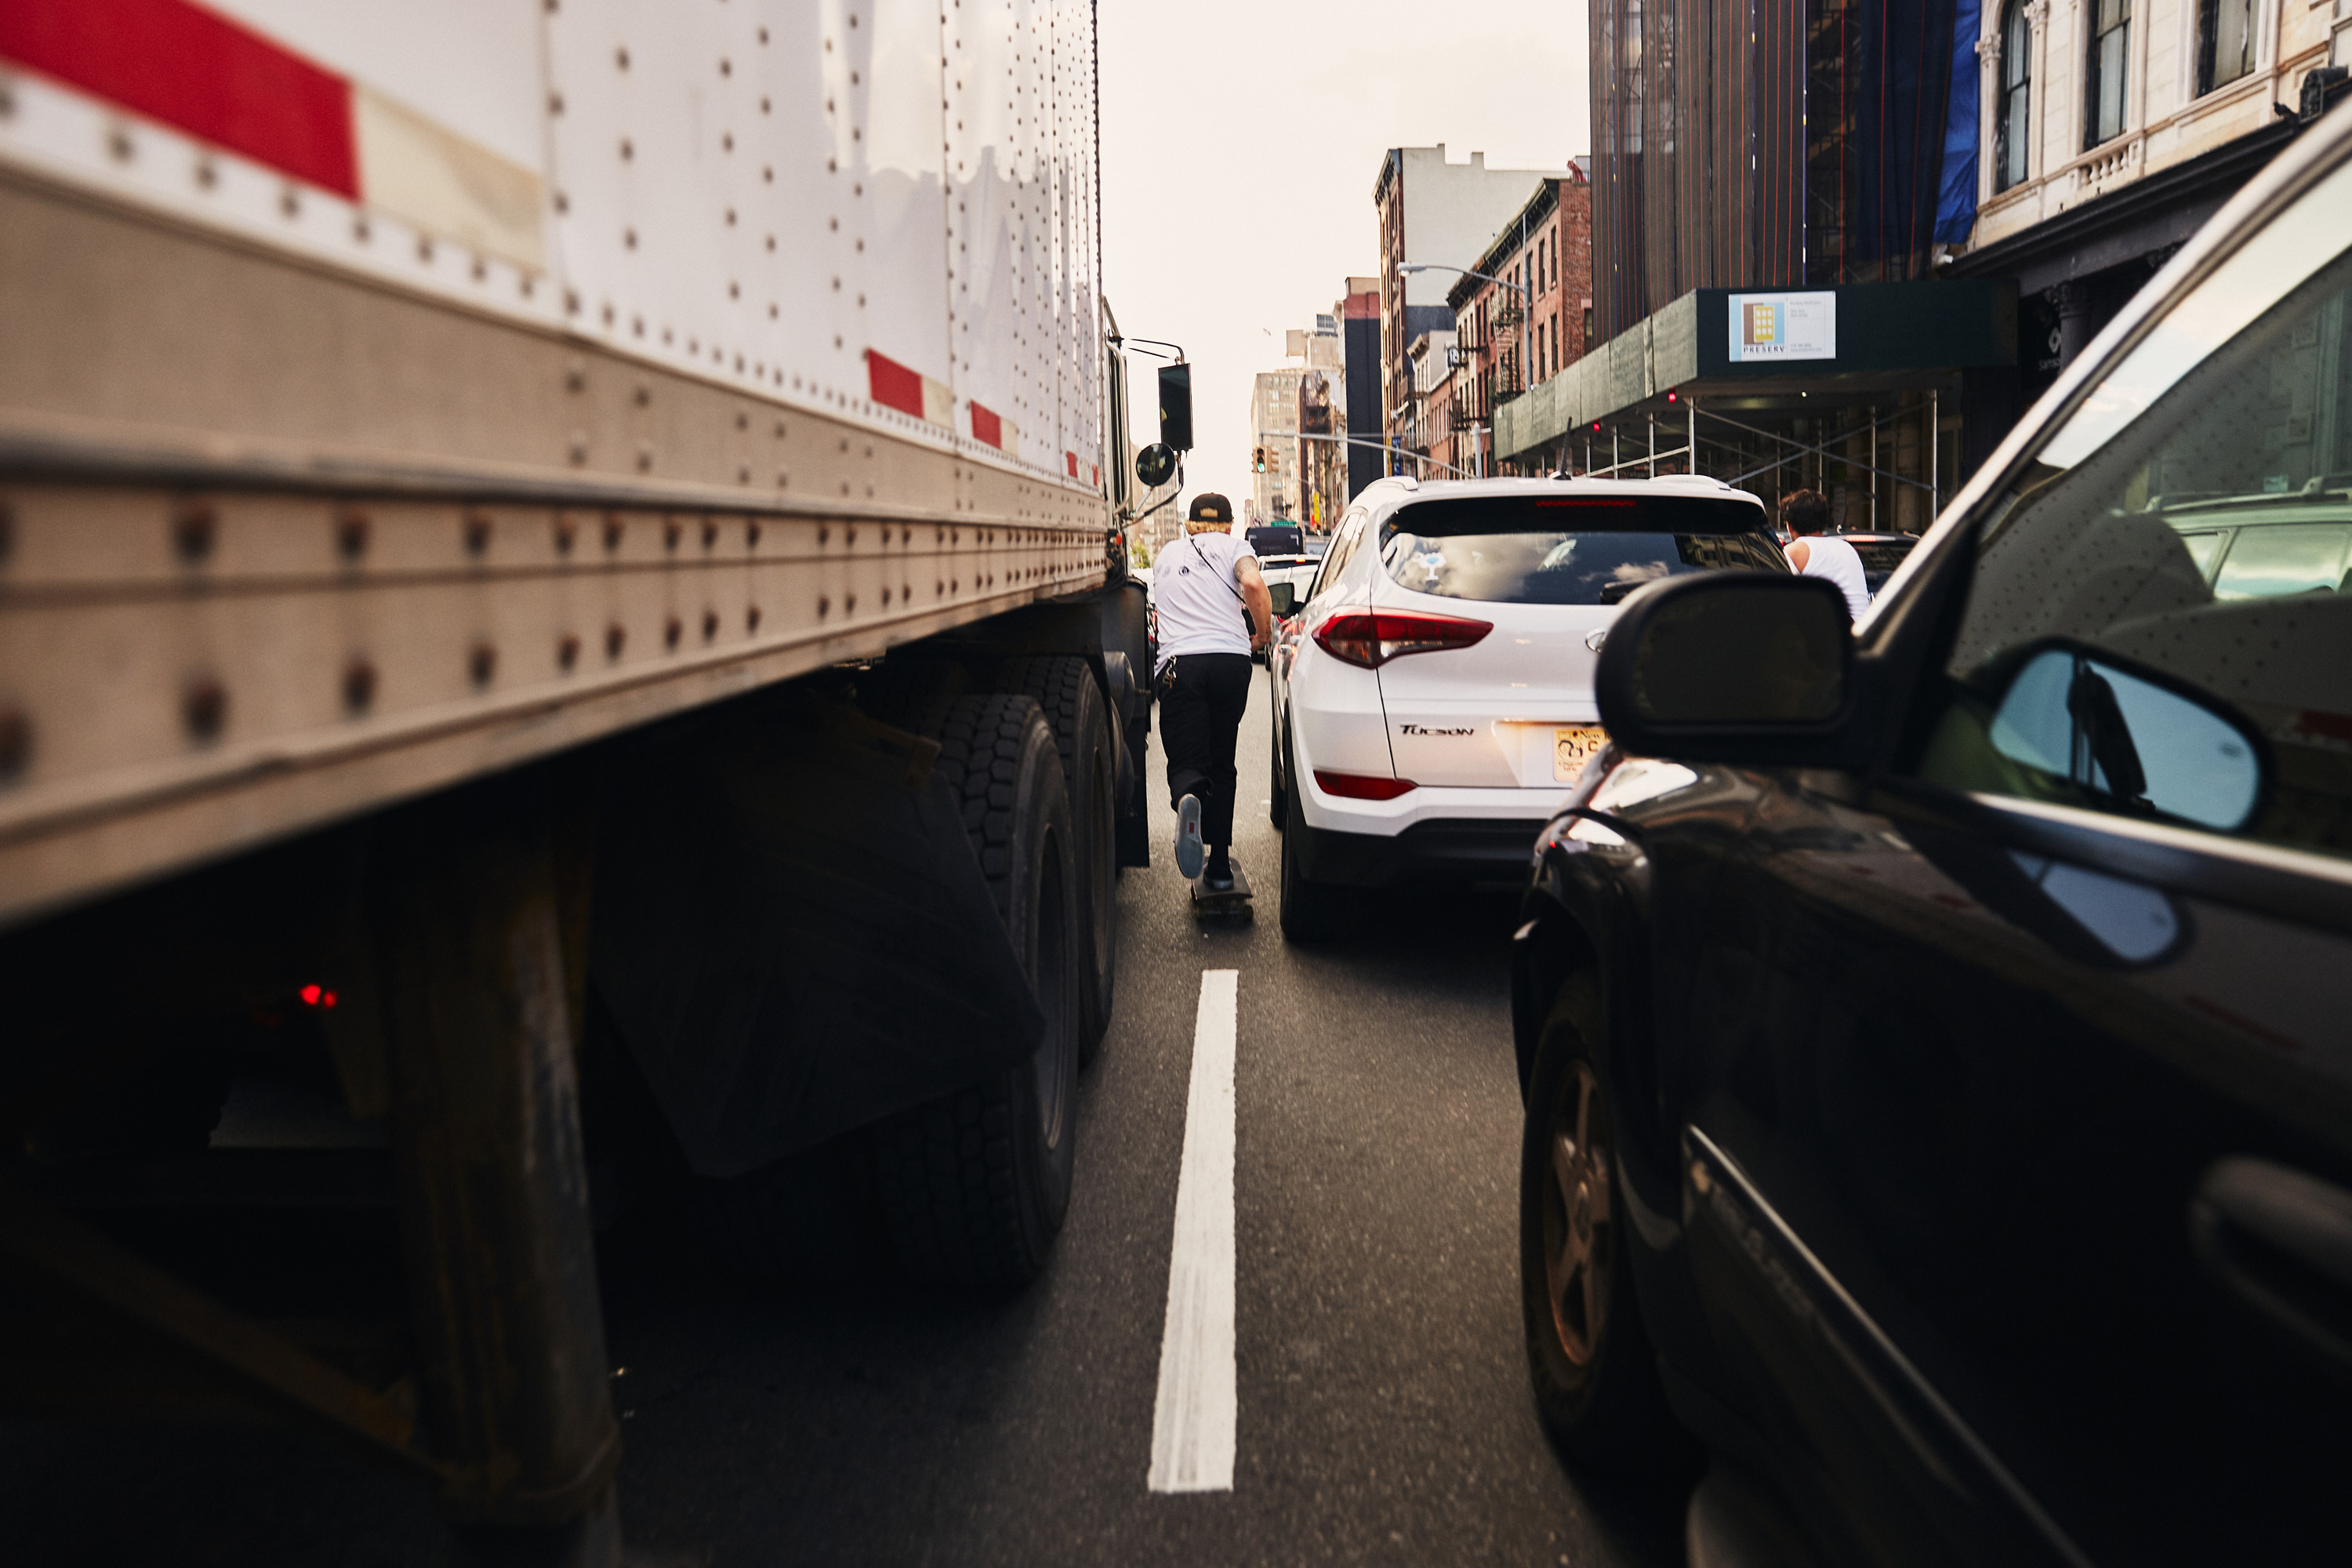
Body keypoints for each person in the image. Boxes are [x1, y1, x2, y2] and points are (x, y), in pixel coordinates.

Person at [1152, 492, 1272, 889]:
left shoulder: (1167, 555)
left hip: (1179, 666)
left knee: (1188, 757)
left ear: (1189, 524)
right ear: (1228, 523)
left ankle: (1188, 797)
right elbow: (1252, 581)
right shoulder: (1236, 547)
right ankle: (1219, 865)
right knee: (1223, 761)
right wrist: (1262, 634)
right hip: (1229, 663)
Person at [1780, 488, 1870, 619]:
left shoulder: (1794, 551)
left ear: (1790, 526)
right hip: (1863, 632)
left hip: (1833, 633)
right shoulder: (1847, 548)